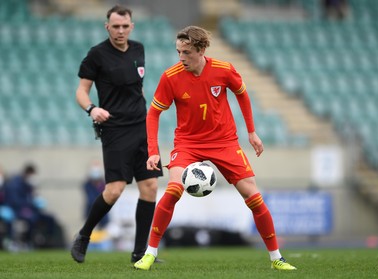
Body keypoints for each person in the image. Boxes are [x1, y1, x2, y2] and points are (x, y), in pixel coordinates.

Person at [133, 26, 296, 271]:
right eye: (178, 51)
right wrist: (153, 150)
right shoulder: (171, 77)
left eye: (186, 52)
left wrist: (251, 132)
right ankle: (150, 253)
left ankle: (276, 258)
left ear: (201, 50)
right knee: (174, 188)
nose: (181, 57)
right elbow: (153, 113)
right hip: (188, 143)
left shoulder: (224, 70)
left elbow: (242, 94)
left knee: (253, 196)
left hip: (224, 142)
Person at [71, 5, 163, 263]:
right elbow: (81, 91)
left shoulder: (138, 49)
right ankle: (84, 235)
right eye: (115, 26)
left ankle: (140, 254)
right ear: (107, 26)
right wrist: (92, 109)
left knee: (150, 186)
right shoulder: (97, 55)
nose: (120, 31)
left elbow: (139, 89)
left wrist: (150, 116)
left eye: (125, 26)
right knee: (114, 190)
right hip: (115, 129)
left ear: (131, 26)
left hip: (141, 127)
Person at [4, 163, 58, 249]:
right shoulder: (15, 184)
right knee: (32, 218)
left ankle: (47, 240)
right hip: (19, 210)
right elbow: (16, 201)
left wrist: (36, 199)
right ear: (27, 173)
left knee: (50, 218)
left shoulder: (29, 186)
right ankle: (27, 241)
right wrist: (31, 204)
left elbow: (32, 199)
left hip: (31, 210)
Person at [82, 162, 109, 229]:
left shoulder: (104, 184)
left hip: (103, 214)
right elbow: (91, 199)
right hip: (91, 212)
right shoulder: (88, 185)